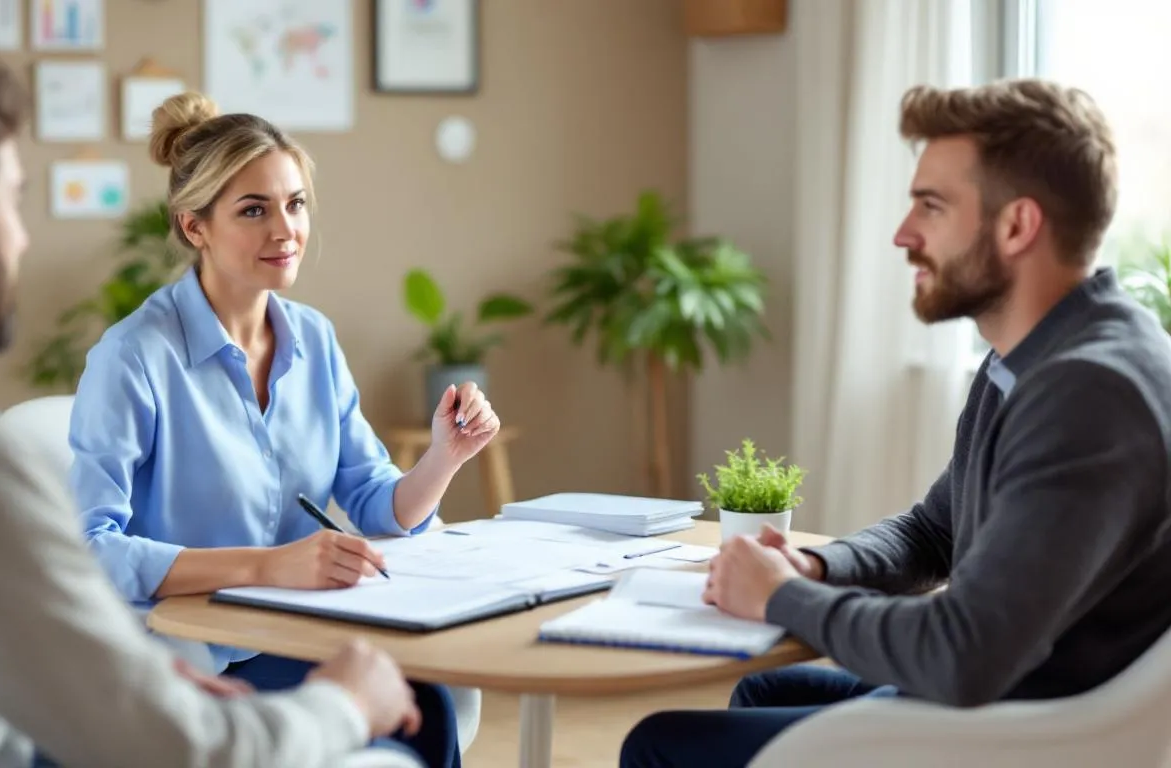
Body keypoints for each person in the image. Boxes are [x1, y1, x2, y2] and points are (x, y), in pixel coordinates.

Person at [0, 28, 429, 768]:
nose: (19, 239)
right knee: (404, 738)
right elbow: (172, 747)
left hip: (114, 697)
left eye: (295, 205)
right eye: (13, 200)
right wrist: (344, 704)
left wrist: (135, 682)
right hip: (125, 719)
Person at [620, 78, 1171, 767]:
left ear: (1017, 226)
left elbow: (962, 654)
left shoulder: (1090, 393)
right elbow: (934, 532)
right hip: (1006, 693)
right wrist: (816, 565)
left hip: (1021, 732)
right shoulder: (1035, 356)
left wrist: (783, 596)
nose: (903, 234)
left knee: (660, 746)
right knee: (761, 692)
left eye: (931, 207)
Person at [66, 90, 500, 768]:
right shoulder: (132, 359)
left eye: (295, 204)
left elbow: (376, 503)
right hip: (193, 660)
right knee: (402, 722)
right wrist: (273, 565)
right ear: (193, 227)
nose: (285, 230)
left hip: (304, 635)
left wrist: (445, 457)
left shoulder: (315, 342)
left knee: (426, 706)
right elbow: (90, 550)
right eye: (253, 210)